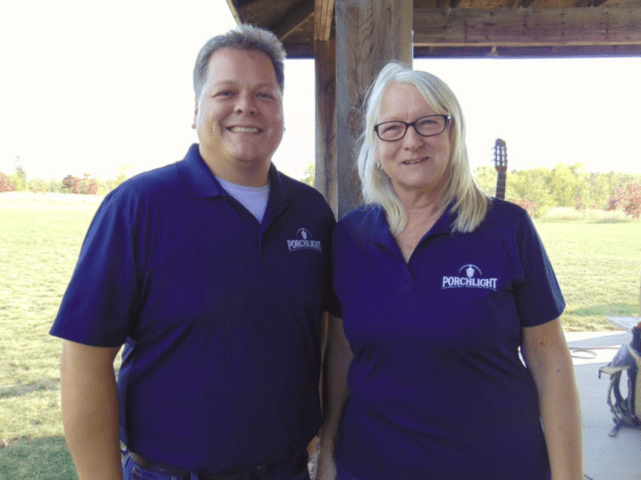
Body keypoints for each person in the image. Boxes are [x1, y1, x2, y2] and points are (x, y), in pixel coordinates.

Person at [51, 24, 337, 480]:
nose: (246, 105)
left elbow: (322, 334)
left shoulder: (312, 213)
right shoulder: (139, 206)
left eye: (265, 94)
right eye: (226, 91)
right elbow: (85, 355)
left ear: (281, 113)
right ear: (197, 108)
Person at [317, 62, 584, 480]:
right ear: (375, 142)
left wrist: (567, 475)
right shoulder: (350, 236)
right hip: (367, 468)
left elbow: (550, 360)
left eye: (428, 123)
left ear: (453, 132)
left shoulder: (508, 228)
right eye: (393, 127)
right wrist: (328, 450)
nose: (411, 141)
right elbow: (341, 352)